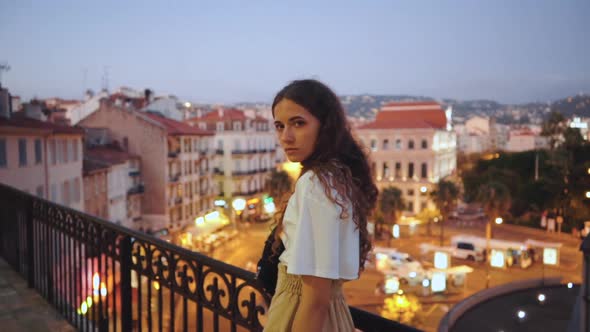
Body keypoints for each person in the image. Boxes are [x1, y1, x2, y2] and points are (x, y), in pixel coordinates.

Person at [264, 79, 378, 332]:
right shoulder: (337, 177)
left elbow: (315, 299)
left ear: (325, 126)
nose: (286, 137)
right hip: (331, 314)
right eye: (280, 126)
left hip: (300, 313)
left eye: (298, 123)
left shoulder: (316, 185)